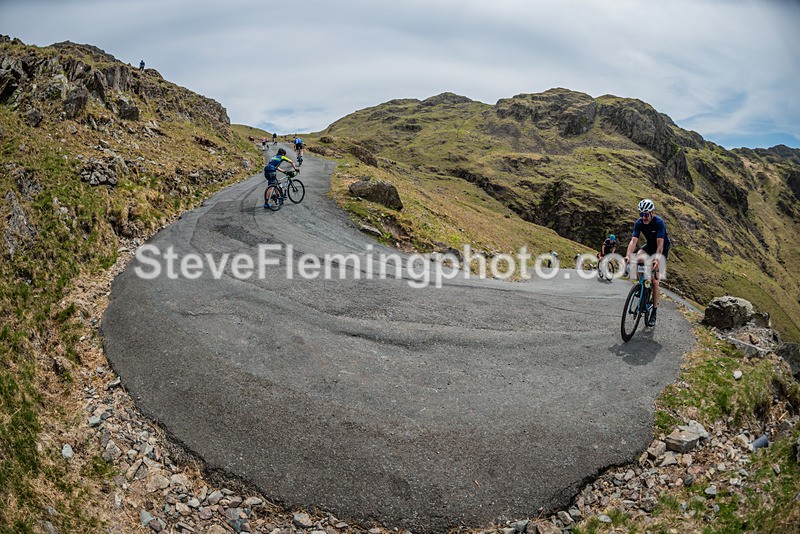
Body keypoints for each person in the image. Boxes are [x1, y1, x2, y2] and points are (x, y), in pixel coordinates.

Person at [624, 199, 670, 326]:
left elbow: (660, 245)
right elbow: (633, 241)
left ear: (652, 213)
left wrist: (657, 259)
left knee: (655, 281)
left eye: (646, 214)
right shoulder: (639, 223)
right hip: (649, 246)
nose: (643, 217)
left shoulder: (659, 223)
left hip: (661, 249)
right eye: (641, 214)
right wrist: (628, 256)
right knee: (638, 258)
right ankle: (642, 286)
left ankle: (654, 312)